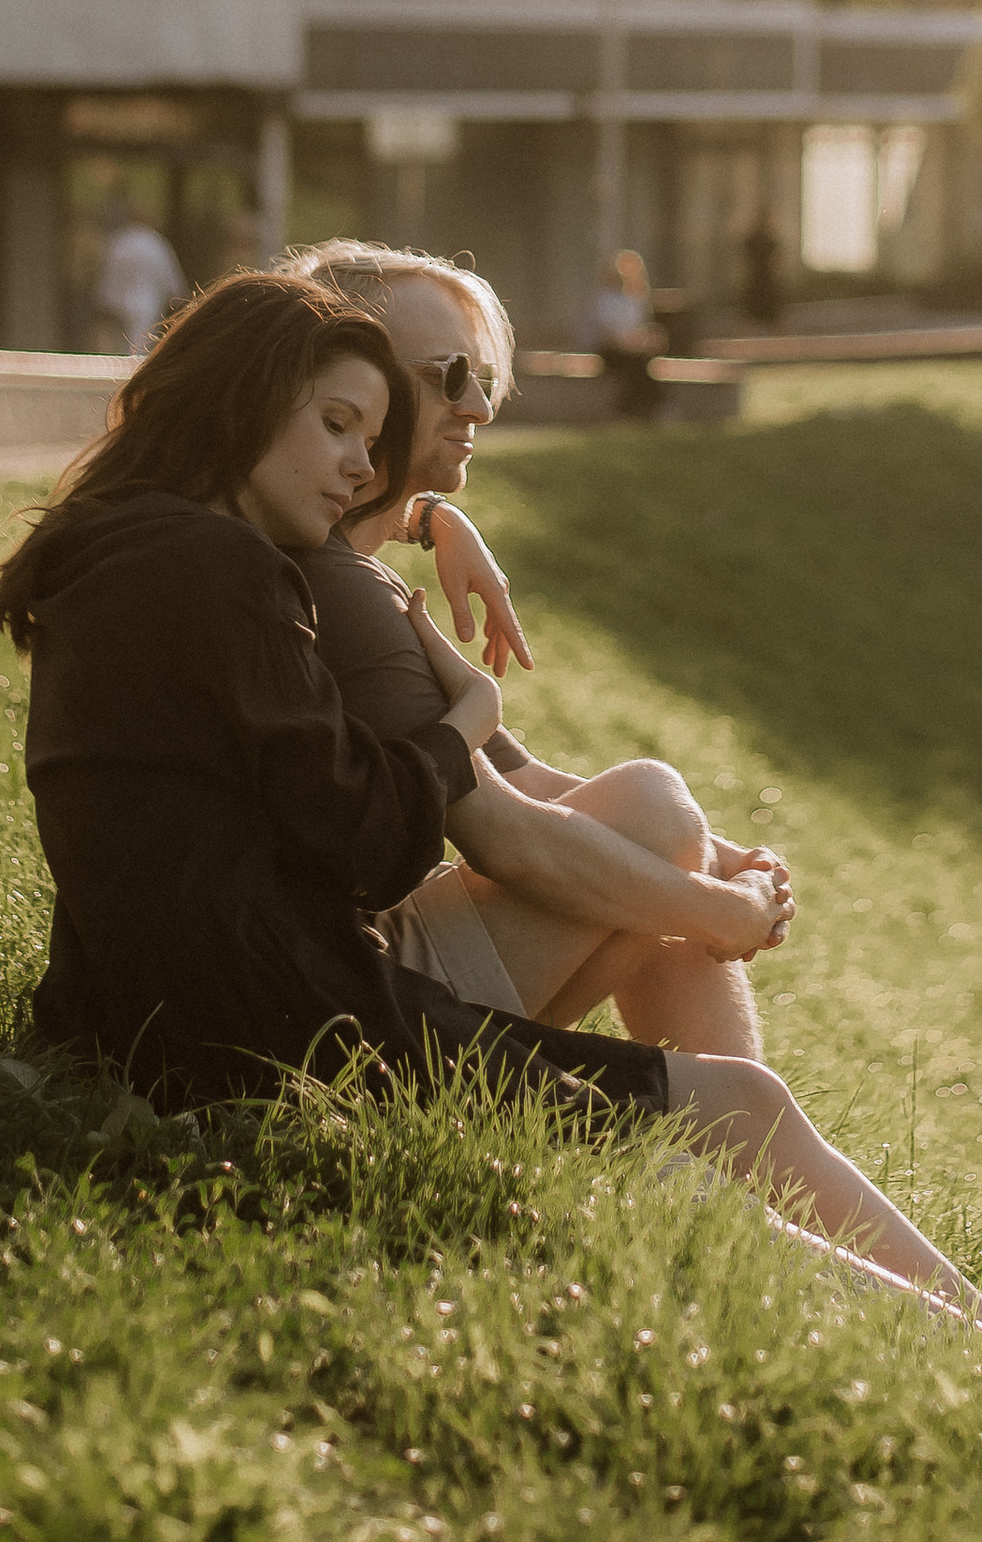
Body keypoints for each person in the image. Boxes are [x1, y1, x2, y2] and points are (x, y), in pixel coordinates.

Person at [0, 269, 982, 1322]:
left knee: (731, 1108)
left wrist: (426, 526)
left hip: (210, 1021)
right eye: (340, 426)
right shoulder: (226, 572)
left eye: (373, 436)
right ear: (241, 399)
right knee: (712, 1139)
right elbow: (381, 842)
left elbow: (334, 813)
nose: (361, 464)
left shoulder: (127, 549)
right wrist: (465, 711)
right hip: (285, 1051)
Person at [289, 239, 782, 1062]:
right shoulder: (337, 585)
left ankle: (725, 1167)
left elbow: (523, 780)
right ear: (351, 376)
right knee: (653, 817)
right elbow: (509, 833)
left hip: (345, 977)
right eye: (451, 375)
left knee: (659, 839)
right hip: (344, 1007)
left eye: (486, 382)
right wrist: (715, 905)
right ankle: (724, 1161)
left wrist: (723, 860)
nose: (477, 408)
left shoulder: (356, 567)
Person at [93, 202, 186, 354]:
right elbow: (171, 279)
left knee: (122, 344)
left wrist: (105, 301)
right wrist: (178, 299)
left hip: (120, 303)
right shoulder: (156, 243)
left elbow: (109, 276)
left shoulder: (120, 241)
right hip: (148, 303)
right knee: (142, 344)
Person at [588, 245, 665, 420]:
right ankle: (640, 407)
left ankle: (637, 407)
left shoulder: (636, 299)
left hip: (633, 350)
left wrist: (648, 339)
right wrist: (629, 343)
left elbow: (640, 328)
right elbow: (607, 334)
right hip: (609, 350)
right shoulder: (605, 299)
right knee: (636, 365)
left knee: (641, 363)